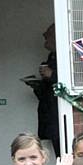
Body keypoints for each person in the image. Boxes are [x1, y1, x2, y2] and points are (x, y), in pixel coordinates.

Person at [33, 24, 60, 156]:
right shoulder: (52, 56)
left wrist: (53, 75)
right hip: (50, 115)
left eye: (48, 33)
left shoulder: (66, 56)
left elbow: (74, 83)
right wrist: (37, 86)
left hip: (61, 114)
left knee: (64, 155)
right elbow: (48, 91)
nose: (44, 36)